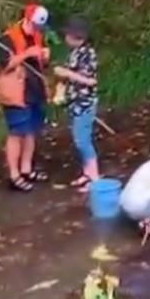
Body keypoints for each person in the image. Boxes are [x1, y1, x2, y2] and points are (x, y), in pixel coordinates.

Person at [0, 3, 50, 192]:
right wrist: (26, 54)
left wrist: (44, 57)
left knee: (31, 130)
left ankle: (27, 169)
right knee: (17, 133)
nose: (37, 30)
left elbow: (41, 64)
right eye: (35, 26)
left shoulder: (38, 35)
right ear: (26, 19)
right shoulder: (8, 38)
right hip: (16, 92)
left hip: (35, 90)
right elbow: (5, 66)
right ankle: (14, 175)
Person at [53, 17, 99, 191]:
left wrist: (66, 73)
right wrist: (60, 92)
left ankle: (94, 177)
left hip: (85, 103)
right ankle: (87, 174)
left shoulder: (88, 53)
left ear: (75, 36)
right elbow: (65, 78)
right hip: (75, 103)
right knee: (79, 139)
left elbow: (90, 81)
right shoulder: (74, 53)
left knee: (83, 141)